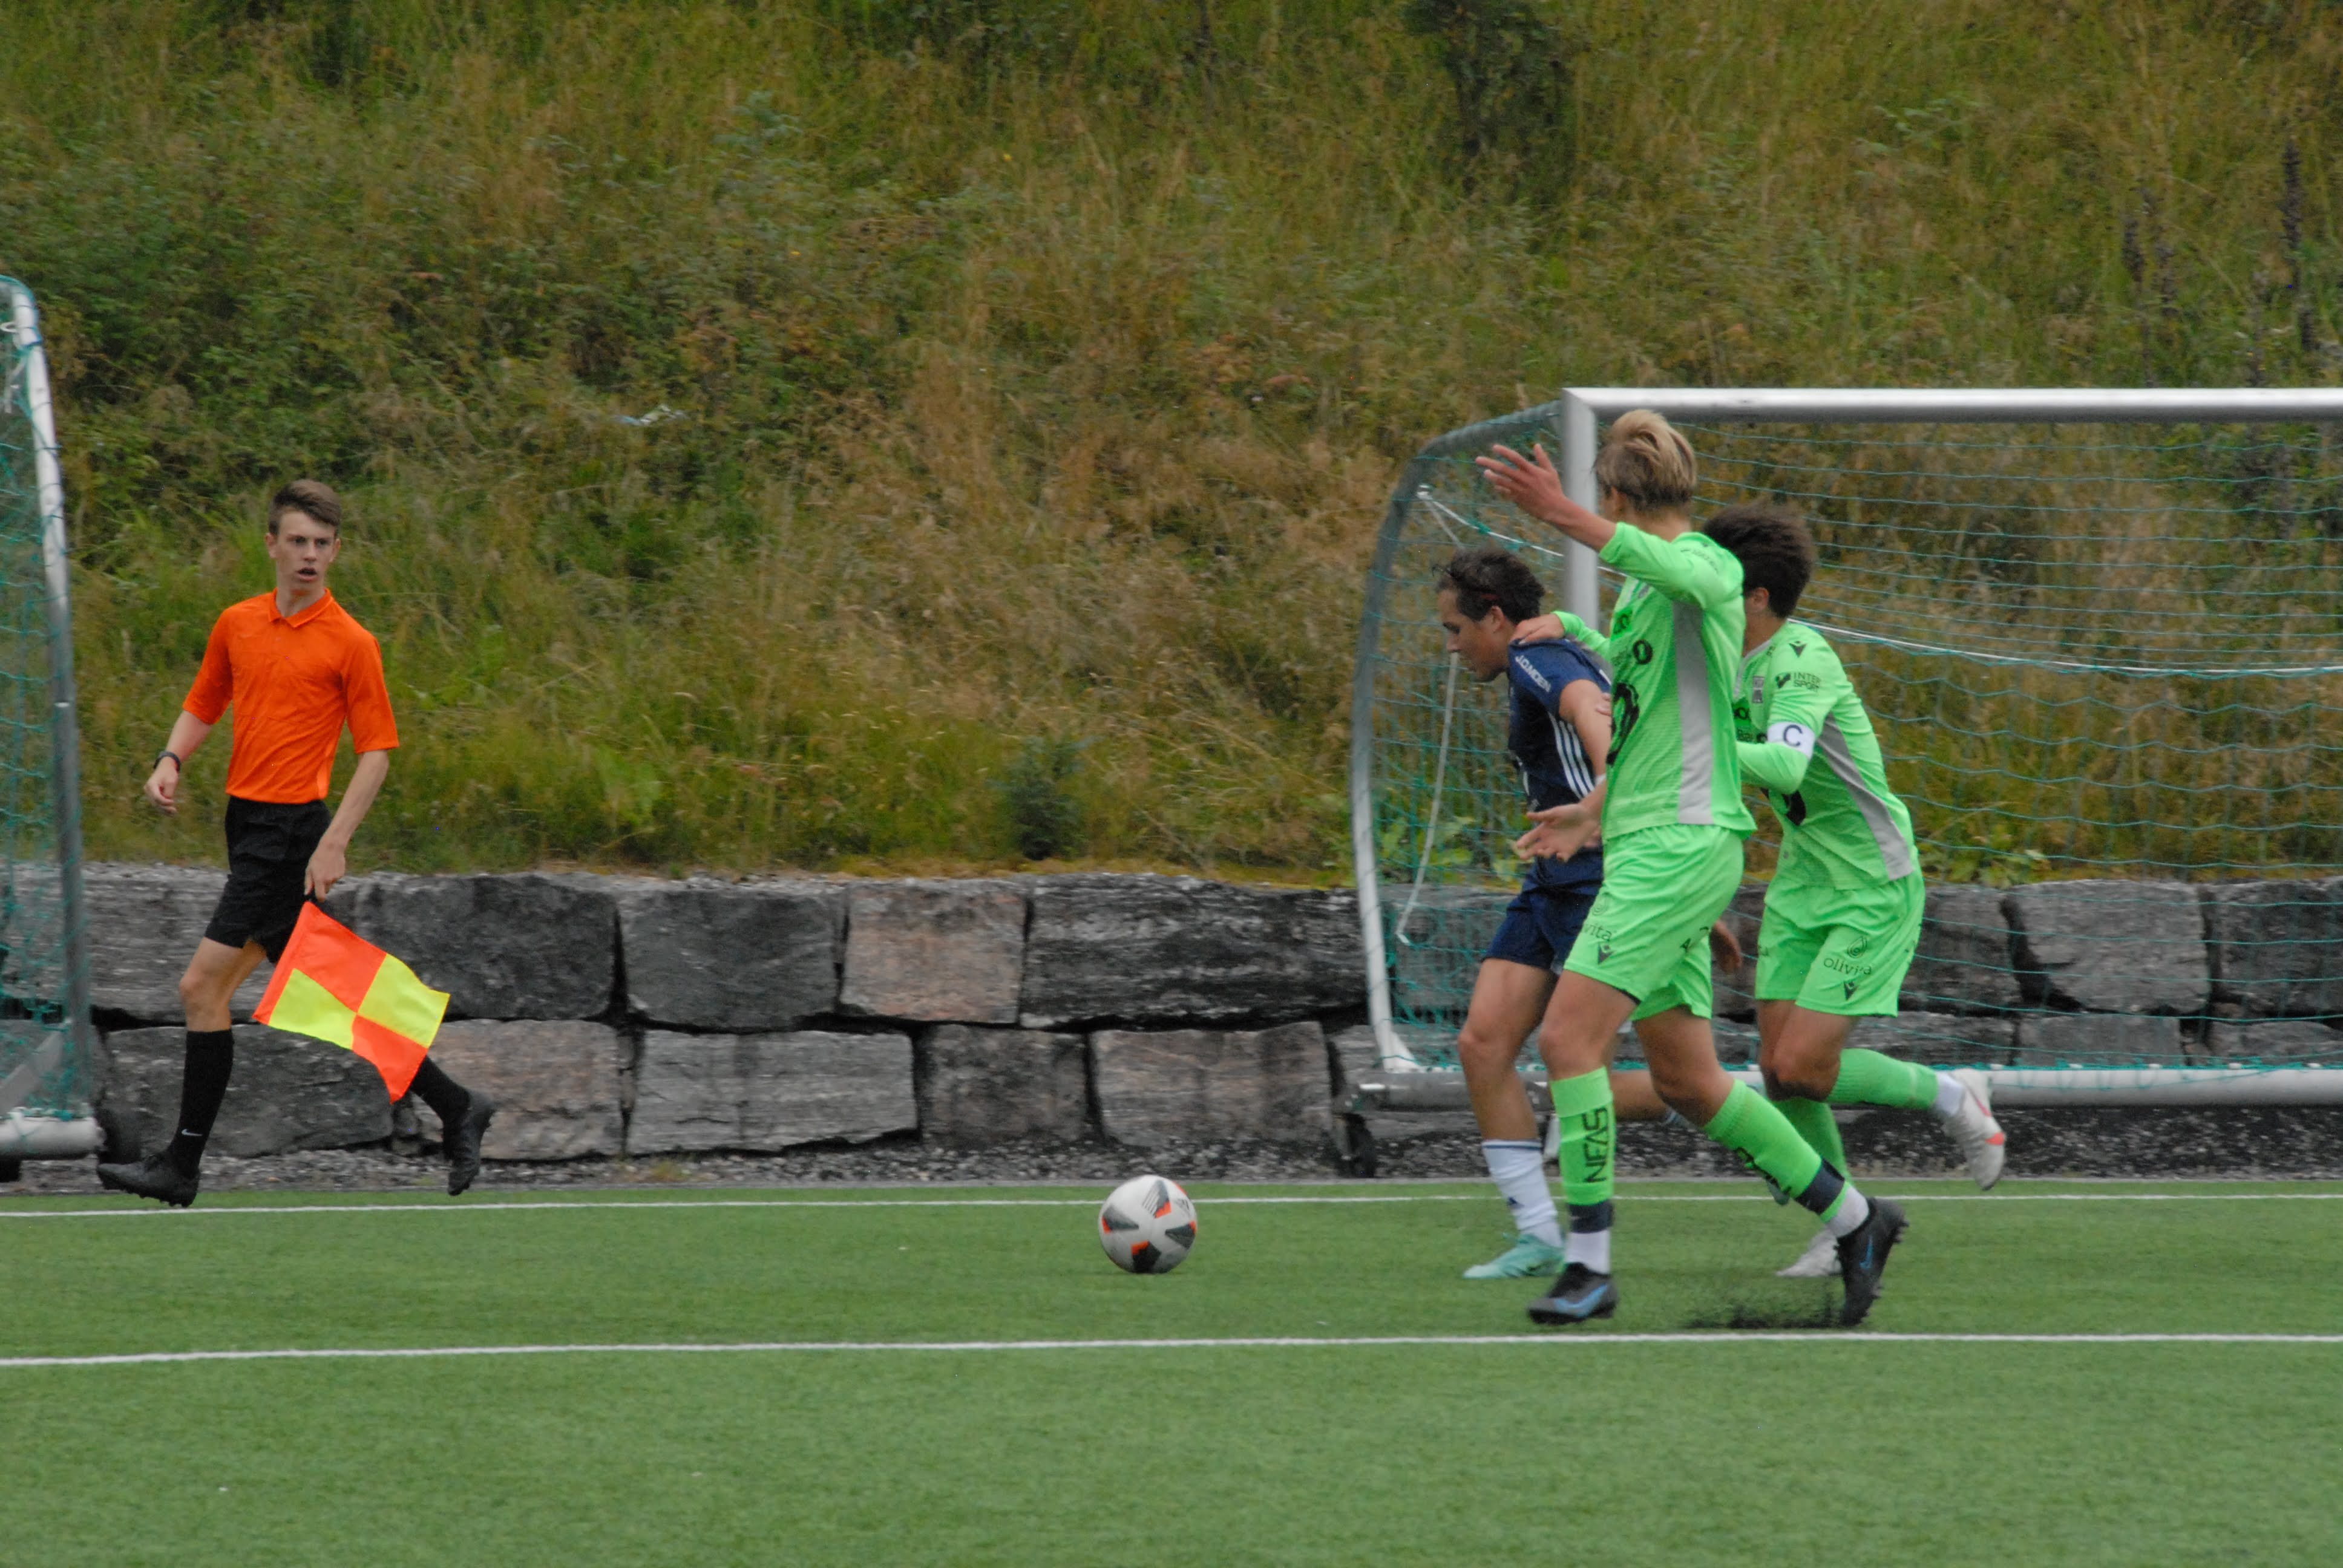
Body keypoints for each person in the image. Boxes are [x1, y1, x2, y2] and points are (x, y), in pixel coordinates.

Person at [1477, 411, 1906, 1328]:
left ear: (1616, 496)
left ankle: (1587, 1265)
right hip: (1649, 844)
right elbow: (1646, 724)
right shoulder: (1644, 598)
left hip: (1678, 846)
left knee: (1567, 1042)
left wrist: (1560, 515)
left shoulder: (1705, 565)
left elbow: (1691, 573)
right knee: (1688, 1081)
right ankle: (1856, 1219)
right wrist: (1594, 809)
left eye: (1599, 502)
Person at [95, 481, 495, 1207]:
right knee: (332, 987)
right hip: (246, 825)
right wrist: (171, 757)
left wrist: (334, 842)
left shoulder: (352, 643)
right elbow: (205, 700)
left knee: (201, 988)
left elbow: (376, 754)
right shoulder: (237, 623)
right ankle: (456, 1103)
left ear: (336, 551)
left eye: (322, 544)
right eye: (298, 541)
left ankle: (182, 1165)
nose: (309, 554)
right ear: (272, 545)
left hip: (290, 834)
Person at [1701, 503, 2005, 1275]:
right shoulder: (1721, 650)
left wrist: (1689, 746)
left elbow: (1784, 766)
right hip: (1803, 877)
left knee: (1805, 1068)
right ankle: (1843, 1226)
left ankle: (1953, 1095)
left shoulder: (1802, 660)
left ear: (1755, 597)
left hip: (1871, 881)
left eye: (1713, 581)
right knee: (1779, 1074)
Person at [1431, 545, 1731, 1280]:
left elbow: (1597, 722)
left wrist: (1600, 814)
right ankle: (1539, 1235)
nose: (1451, 647)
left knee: (1665, 1080)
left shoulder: (1537, 658)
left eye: (1454, 630)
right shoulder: (1543, 653)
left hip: (1598, 879)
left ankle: (1760, 1114)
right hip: (1553, 880)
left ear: (1494, 618)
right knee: (1482, 1044)